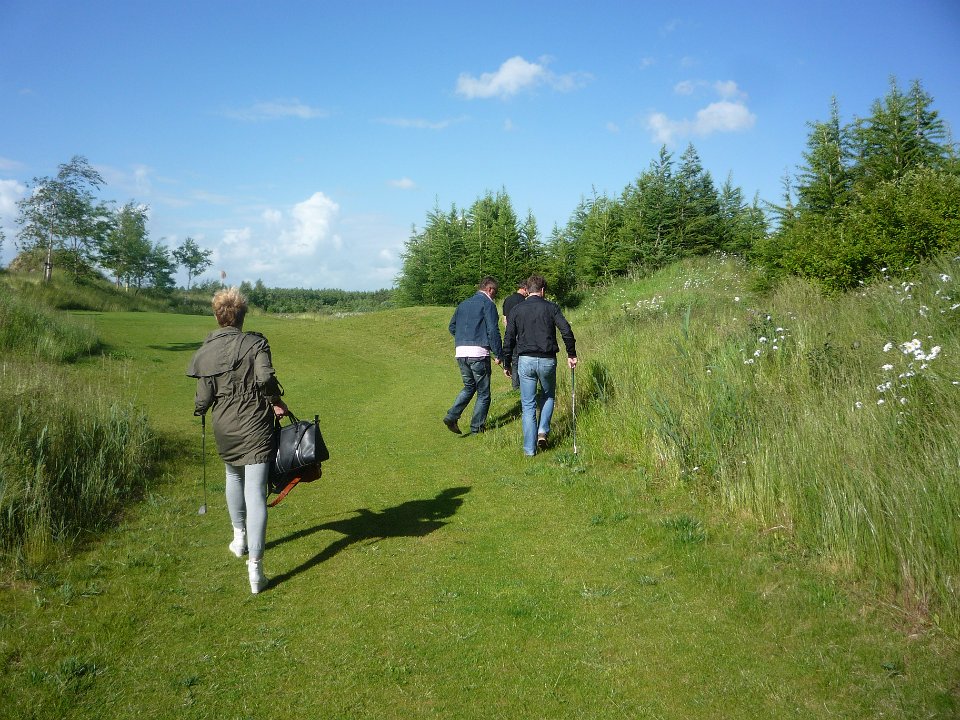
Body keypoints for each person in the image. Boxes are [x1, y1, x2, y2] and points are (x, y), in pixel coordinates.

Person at [186, 287, 288, 594]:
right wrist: (276, 401)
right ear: (242, 316)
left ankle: (239, 538)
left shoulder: (207, 349)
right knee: (255, 491)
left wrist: (200, 408)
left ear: (218, 316)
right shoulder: (256, 343)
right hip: (254, 423)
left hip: (225, 425)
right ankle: (255, 569)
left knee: (233, 475)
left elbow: (203, 397)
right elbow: (265, 378)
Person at [502, 275, 578, 456]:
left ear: (527, 290)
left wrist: (507, 362)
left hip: (525, 360)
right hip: (547, 359)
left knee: (528, 405)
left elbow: (509, 337)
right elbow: (566, 330)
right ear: (543, 290)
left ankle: (529, 450)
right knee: (548, 396)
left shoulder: (517, 309)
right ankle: (542, 431)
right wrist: (571, 354)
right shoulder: (552, 308)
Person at [443, 276, 504, 435]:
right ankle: (477, 428)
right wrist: (499, 353)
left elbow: (452, 327)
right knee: (483, 393)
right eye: (495, 292)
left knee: (469, 386)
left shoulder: (463, 304)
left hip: (460, 352)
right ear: (489, 289)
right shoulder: (488, 304)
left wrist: (464, 339)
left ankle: (452, 416)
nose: (495, 296)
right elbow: (493, 330)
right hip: (478, 353)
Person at [501, 279, 528, 391]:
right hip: (522, 334)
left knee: (514, 359)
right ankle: (525, 385)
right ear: (525, 288)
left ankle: (515, 386)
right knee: (523, 359)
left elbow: (504, 319)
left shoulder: (507, 300)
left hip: (511, 333)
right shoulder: (525, 301)